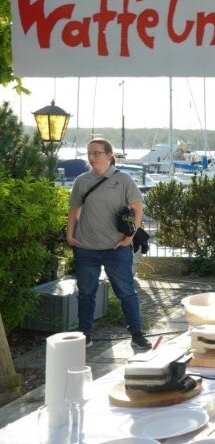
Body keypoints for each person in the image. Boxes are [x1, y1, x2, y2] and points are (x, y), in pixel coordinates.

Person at [65, 138, 151, 350]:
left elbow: (138, 208)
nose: (92, 157)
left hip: (116, 248)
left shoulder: (123, 180)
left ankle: (137, 334)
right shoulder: (82, 181)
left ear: (109, 155)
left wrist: (129, 238)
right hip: (86, 248)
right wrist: (69, 236)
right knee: (86, 293)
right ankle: (85, 335)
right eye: (89, 153)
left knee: (126, 293)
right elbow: (74, 211)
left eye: (96, 153)